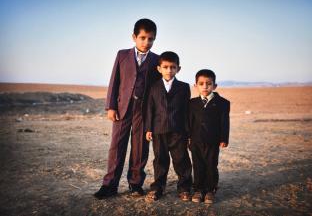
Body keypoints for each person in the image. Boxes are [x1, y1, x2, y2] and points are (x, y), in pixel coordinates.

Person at [94, 18, 161, 199]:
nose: (147, 42)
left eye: (151, 39)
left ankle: (135, 184)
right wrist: (111, 106)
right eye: (143, 38)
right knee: (117, 146)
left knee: (140, 148)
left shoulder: (157, 60)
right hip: (123, 108)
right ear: (134, 37)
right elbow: (114, 81)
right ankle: (109, 185)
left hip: (144, 111)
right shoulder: (122, 55)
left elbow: (158, 88)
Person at [144, 51, 192, 202]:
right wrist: (148, 128)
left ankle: (184, 187)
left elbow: (186, 111)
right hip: (159, 130)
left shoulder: (184, 87)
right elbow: (150, 108)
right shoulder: (154, 87)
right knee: (160, 160)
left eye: (173, 67)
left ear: (178, 68)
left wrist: (188, 132)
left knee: (181, 159)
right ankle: (158, 187)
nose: (169, 70)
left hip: (178, 131)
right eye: (165, 67)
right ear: (159, 69)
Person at [188, 69, 230, 204]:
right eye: (201, 83)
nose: (205, 86)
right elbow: (188, 122)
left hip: (213, 141)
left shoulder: (223, 103)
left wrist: (224, 138)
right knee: (198, 165)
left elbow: (224, 121)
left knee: (211, 164)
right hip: (195, 141)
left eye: (209, 83)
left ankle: (211, 190)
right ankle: (199, 190)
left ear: (215, 86)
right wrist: (187, 137)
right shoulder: (191, 103)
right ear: (196, 86)